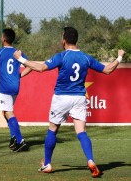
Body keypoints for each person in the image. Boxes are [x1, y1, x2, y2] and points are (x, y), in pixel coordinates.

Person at [14, 26, 125, 177]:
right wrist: (119, 57)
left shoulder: (62, 56)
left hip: (62, 97)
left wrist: (21, 59)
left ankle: (47, 164)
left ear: (64, 40)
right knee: (82, 132)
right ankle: (91, 160)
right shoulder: (86, 57)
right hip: (79, 97)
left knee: (53, 129)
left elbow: (40, 68)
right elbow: (107, 70)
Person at [0, 28, 32, 152]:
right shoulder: (17, 52)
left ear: (3, 38)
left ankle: (20, 140)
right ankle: (14, 137)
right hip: (15, 86)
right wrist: (19, 76)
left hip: (4, 87)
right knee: (5, 112)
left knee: (8, 112)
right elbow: (30, 66)